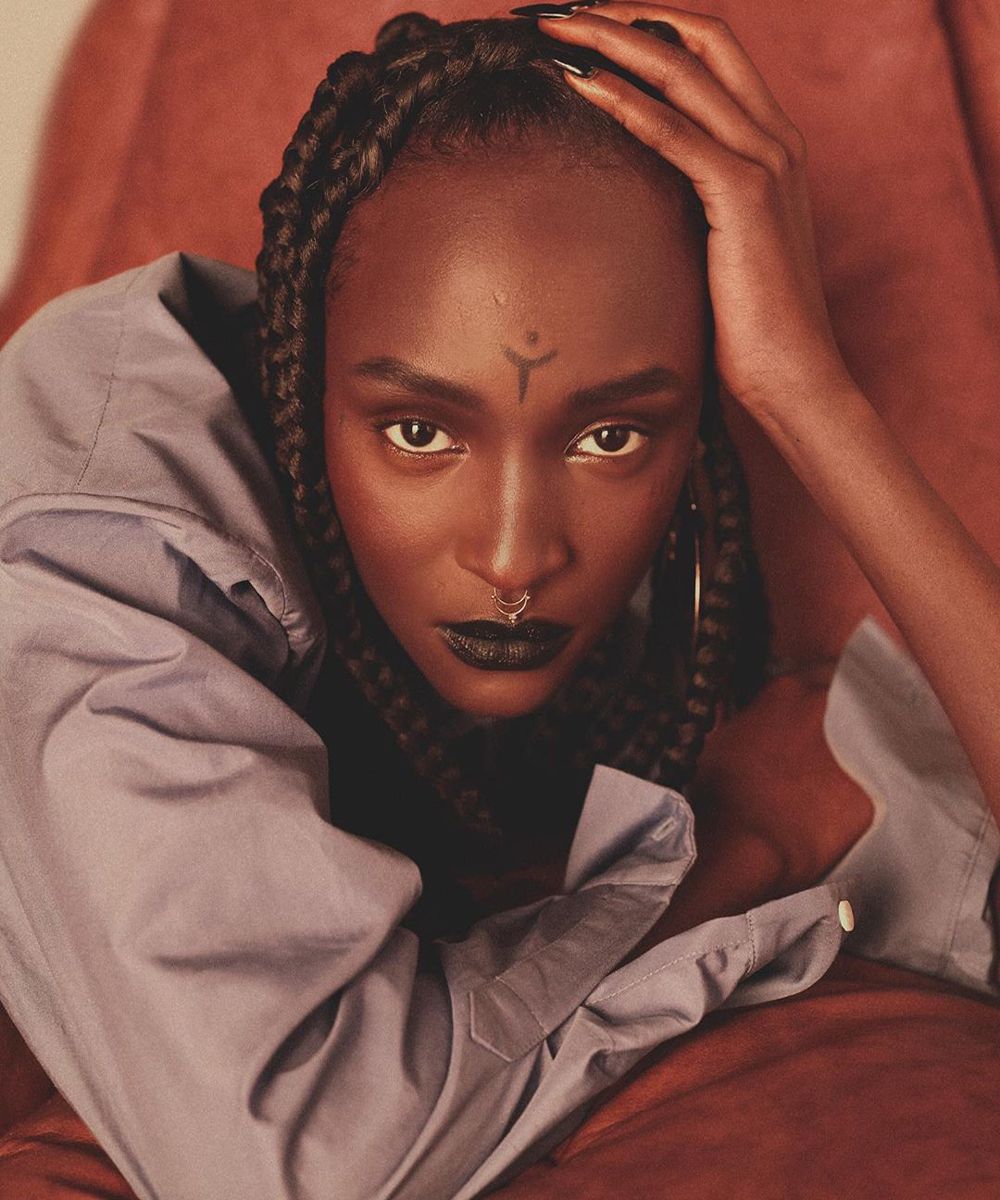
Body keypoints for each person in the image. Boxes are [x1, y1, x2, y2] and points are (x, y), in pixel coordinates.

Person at [0, 5, 997, 1199]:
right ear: (299, 376)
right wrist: (734, 854)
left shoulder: (658, 631)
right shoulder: (102, 557)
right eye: (420, 432)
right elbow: (303, 1164)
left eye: (610, 435)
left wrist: (806, 388)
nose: (516, 556)